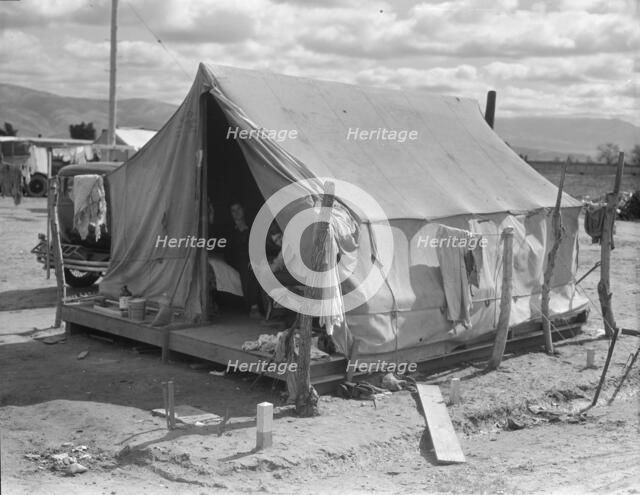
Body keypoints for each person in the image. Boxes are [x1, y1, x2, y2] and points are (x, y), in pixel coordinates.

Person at [225, 202, 261, 318]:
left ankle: (260, 306)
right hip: (235, 257)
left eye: (238, 209)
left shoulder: (251, 227)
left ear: (243, 210)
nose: (236, 213)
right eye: (233, 211)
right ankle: (253, 306)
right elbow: (229, 251)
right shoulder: (230, 230)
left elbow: (257, 246)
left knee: (254, 267)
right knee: (246, 268)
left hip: (250, 257)